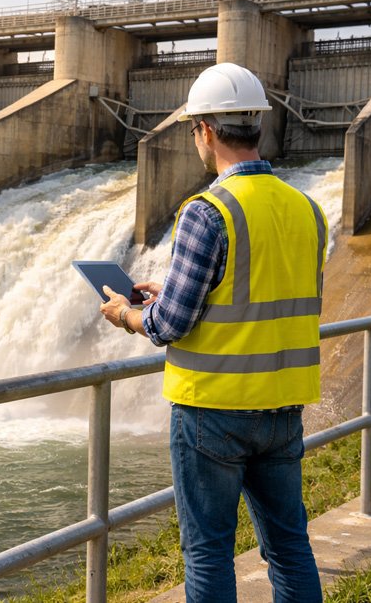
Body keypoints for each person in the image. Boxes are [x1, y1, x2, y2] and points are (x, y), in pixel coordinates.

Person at [100, 62, 326, 603]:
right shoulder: (308, 209)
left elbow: (169, 325)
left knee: (208, 553)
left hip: (212, 413)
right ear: (258, 126)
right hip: (282, 409)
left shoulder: (208, 211)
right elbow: (263, 292)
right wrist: (178, 288)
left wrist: (128, 315)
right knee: (290, 547)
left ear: (203, 130)